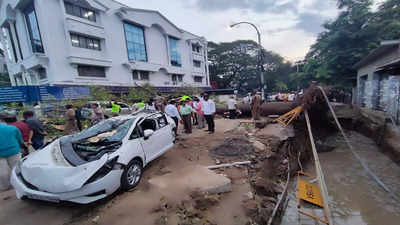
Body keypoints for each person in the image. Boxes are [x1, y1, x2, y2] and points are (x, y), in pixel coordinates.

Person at [0, 114, 24, 191]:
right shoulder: (12, 128)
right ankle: (20, 184)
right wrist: (22, 147)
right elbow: (20, 139)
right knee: (17, 168)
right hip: (14, 151)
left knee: (3, 172)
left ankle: (5, 187)